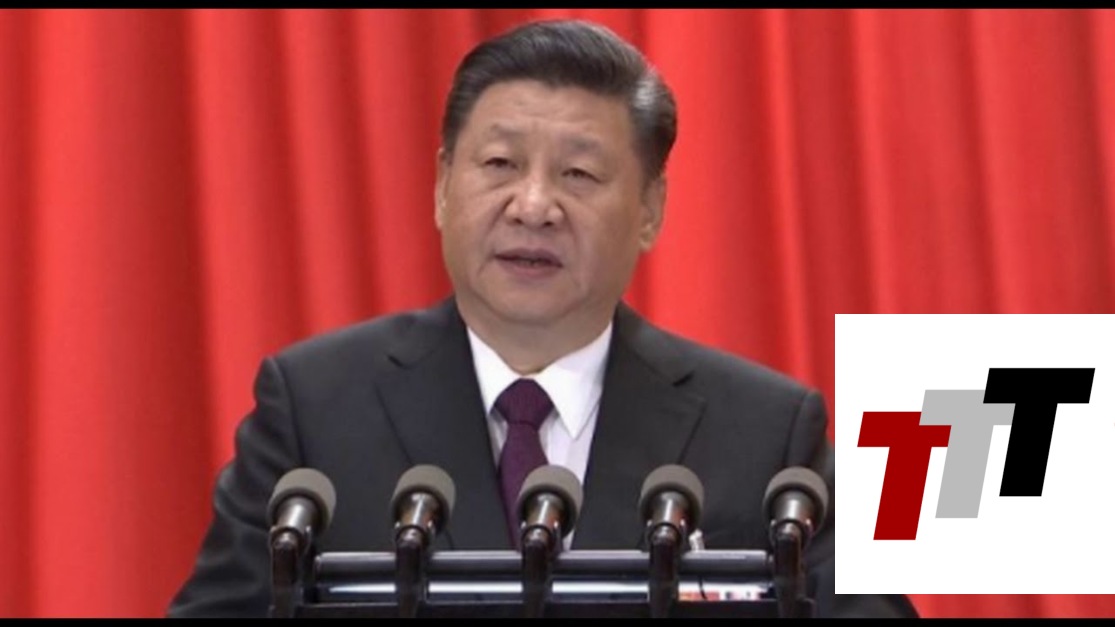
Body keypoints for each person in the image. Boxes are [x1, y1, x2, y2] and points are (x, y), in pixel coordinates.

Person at [167, 19, 917, 618]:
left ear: (649, 209)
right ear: (442, 185)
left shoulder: (762, 431)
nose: (533, 206)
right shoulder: (315, 407)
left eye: (578, 174)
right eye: (499, 165)